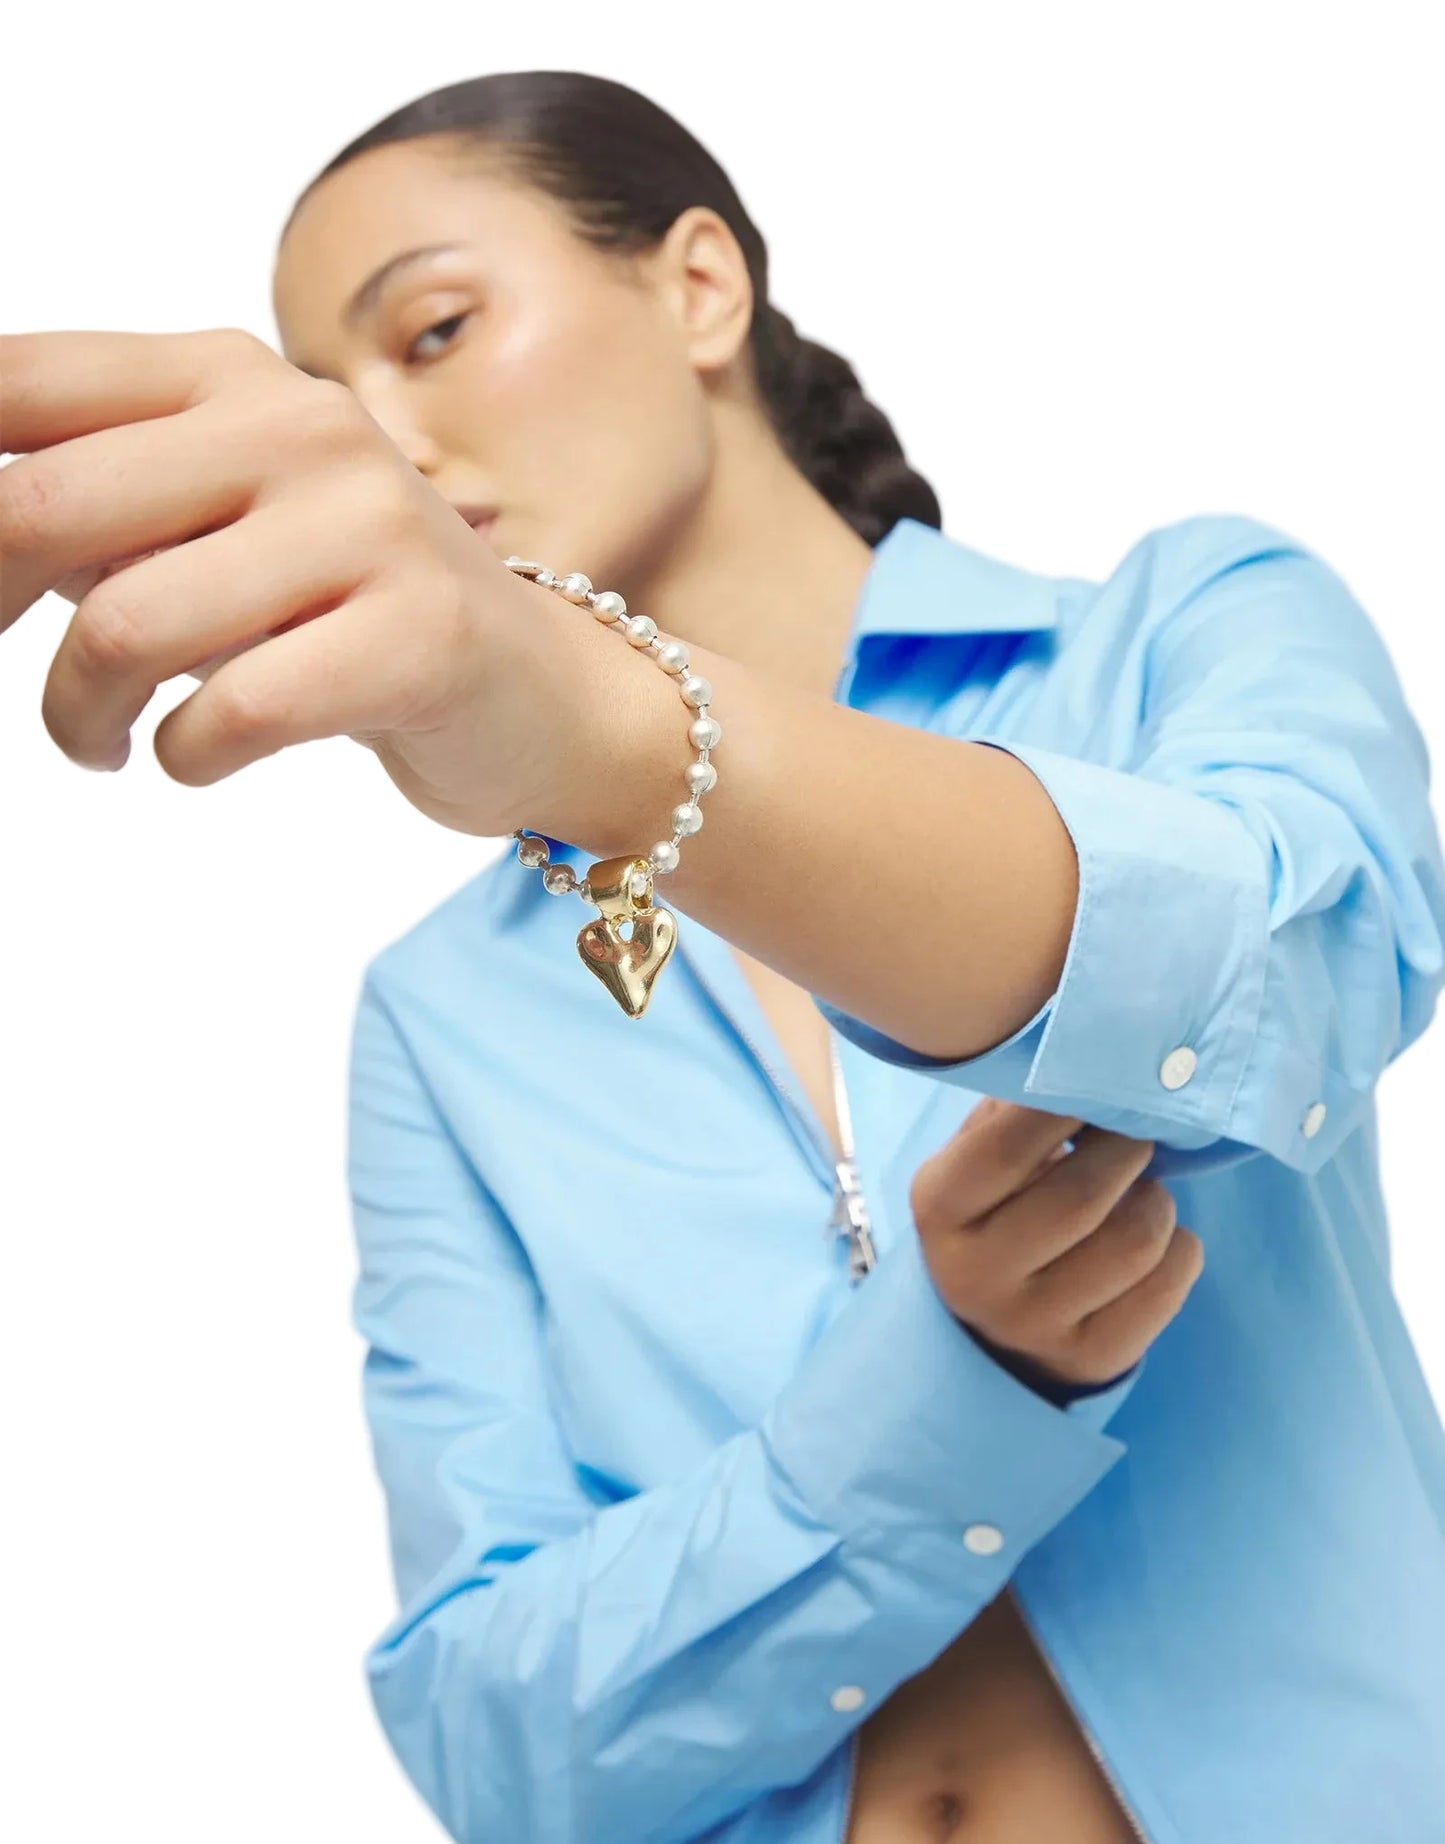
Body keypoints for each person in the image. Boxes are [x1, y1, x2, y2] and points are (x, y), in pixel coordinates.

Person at [268, 71, 1445, 1844]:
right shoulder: (446, 1017)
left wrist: (631, 741)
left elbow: (1292, 972)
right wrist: (945, 1391)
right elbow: (497, 1747)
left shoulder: (1177, 635)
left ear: (698, 289)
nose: (383, 441)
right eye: (327, 409)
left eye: (432, 330)